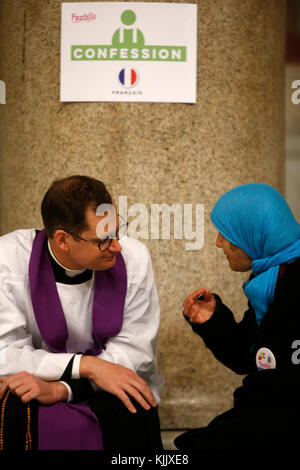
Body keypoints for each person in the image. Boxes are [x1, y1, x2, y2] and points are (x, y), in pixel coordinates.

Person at [0, 175, 164, 451]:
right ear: (63, 240)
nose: (117, 246)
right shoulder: (8, 259)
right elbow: (5, 353)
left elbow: (136, 350)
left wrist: (65, 389)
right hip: (36, 381)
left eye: (117, 230)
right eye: (103, 239)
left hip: (106, 387)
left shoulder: (135, 258)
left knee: (134, 404)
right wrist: (87, 366)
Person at [175, 183, 300, 450]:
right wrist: (212, 321)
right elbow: (253, 356)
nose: (218, 242)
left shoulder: (294, 283)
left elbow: (287, 387)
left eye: (226, 234)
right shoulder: (269, 282)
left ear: (253, 233)